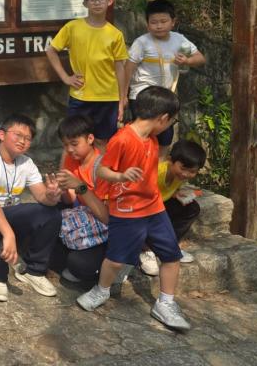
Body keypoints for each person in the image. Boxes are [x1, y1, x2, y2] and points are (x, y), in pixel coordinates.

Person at [76, 86, 191, 331]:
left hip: (154, 208)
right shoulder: (122, 139)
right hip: (127, 210)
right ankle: (102, 290)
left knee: (171, 256)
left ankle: (166, 303)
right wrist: (121, 176)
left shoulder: (152, 139)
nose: (170, 125)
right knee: (116, 260)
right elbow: (101, 170)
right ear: (163, 118)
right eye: (172, 121)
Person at [0, 114, 63, 302]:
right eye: (18, 135)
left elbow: (42, 196)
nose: (23, 141)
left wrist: (52, 196)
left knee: (51, 214)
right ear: (2, 135)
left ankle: (34, 271)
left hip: (10, 212)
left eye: (28, 138)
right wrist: (9, 234)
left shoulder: (26, 163)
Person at [45, 0, 129, 149]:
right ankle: (70, 168)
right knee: (73, 139)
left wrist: (122, 98)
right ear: (85, 3)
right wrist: (66, 78)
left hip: (108, 97)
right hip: (81, 95)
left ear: (110, 1)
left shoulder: (115, 34)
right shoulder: (73, 27)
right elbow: (51, 50)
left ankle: (99, 168)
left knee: (102, 141)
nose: (97, 3)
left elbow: (120, 67)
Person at [124, 0, 206, 158]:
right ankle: (138, 168)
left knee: (165, 138)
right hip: (143, 96)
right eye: (154, 22)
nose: (159, 26)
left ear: (173, 22)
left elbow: (200, 58)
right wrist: (123, 96)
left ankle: (158, 169)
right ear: (147, 24)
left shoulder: (179, 39)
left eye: (163, 21)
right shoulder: (141, 43)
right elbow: (129, 68)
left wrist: (187, 61)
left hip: (166, 97)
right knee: (142, 136)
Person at [52, 114, 111, 284]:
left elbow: (105, 217)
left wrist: (80, 186)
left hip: (104, 227)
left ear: (90, 139)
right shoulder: (71, 159)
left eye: (74, 144)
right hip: (81, 218)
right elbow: (70, 201)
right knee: (44, 219)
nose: (70, 150)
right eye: (65, 145)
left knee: (80, 265)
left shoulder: (103, 168)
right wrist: (59, 190)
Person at [138, 139, 206, 276]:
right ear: (170, 160)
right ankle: (146, 250)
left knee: (192, 208)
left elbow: (169, 188)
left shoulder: (179, 176)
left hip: (160, 203)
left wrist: (175, 194)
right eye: (183, 168)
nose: (185, 174)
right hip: (142, 208)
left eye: (192, 171)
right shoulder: (157, 173)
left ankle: (169, 245)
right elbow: (140, 197)